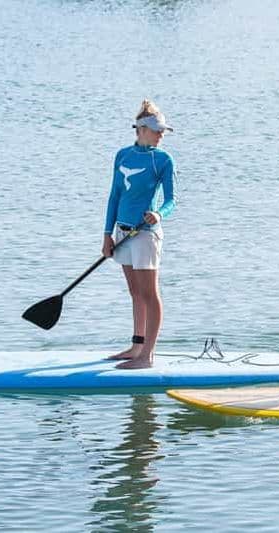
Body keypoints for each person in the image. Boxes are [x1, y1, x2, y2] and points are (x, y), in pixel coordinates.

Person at [102, 99, 177, 369]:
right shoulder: (123, 155)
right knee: (135, 292)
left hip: (145, 234)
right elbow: (114, 195)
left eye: (163, 132)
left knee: (149, 293)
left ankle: (148, 355)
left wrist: (159, 214)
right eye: (158, 131)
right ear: (142, 129)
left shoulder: (163, 160)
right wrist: (107, 235)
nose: (161, 136)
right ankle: (136, 346)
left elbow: (171, 201)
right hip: (123, 233)